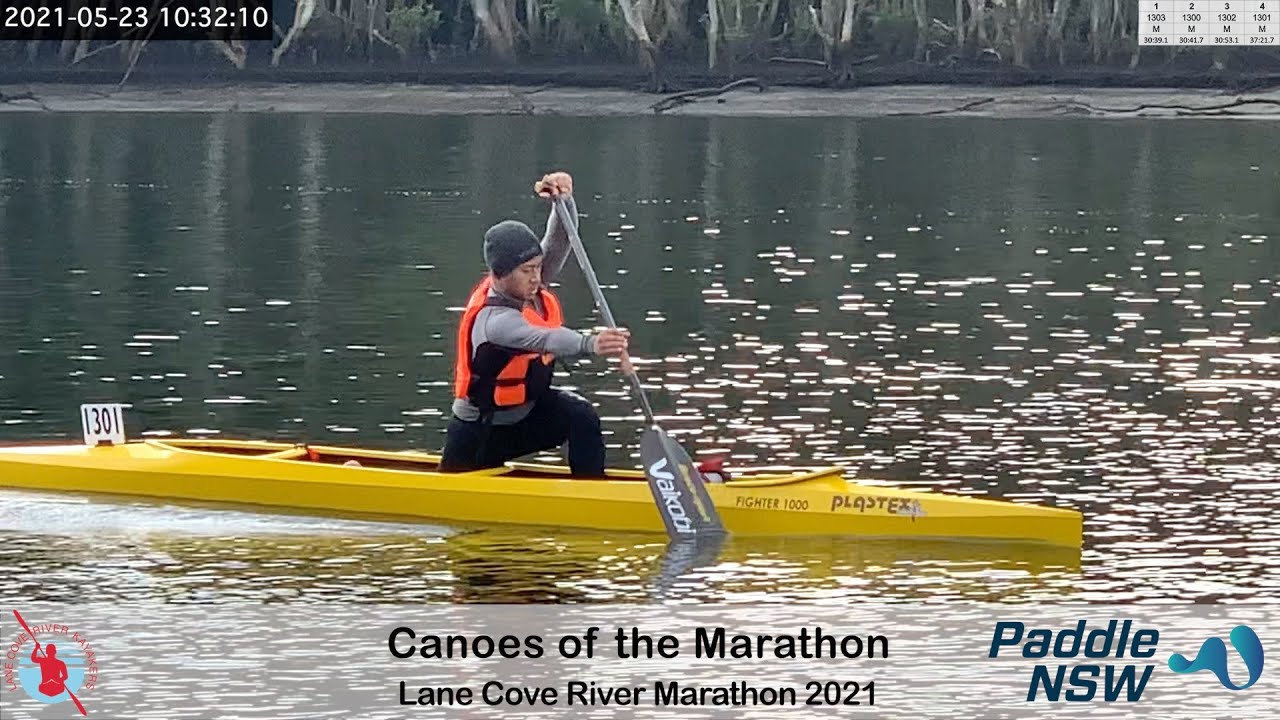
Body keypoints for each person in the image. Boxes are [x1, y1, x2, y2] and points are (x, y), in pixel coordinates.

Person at [440, 171, 631, 477]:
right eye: (527, 270)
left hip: (526, 416)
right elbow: (544, 338)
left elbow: (561, 239)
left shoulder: (530, 283)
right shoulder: (494, 322)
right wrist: (591, 343)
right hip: (480, 433)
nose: (537, 277)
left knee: (579, 414)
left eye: (538, 268)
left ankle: (591, 491)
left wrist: (564, 202)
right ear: (500, 275)